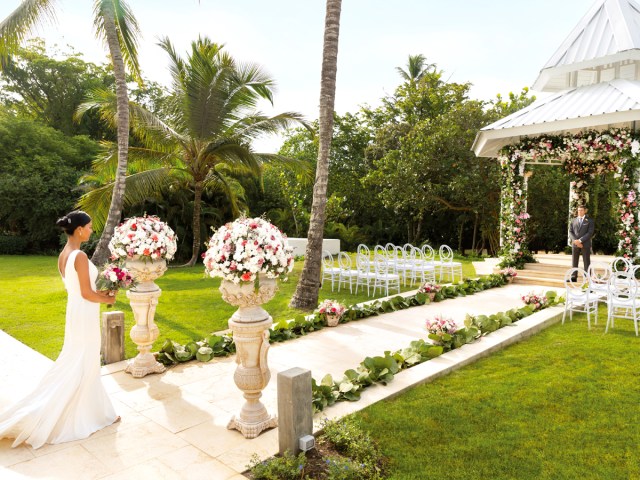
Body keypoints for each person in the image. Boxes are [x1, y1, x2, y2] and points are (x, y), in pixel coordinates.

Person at [0, 210, 119, 449]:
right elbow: (86, 293)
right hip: (84, 314)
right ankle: (93, 415)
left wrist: (103, 294)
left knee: (77, 359)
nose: (91, 230)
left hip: (75, 311)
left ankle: (98, 410)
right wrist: (107, 299)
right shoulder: (80, 257)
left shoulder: (63, 255)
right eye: (89, 226)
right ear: (78, 230)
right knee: (85, 361)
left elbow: (79, 290)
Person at [569, 205, 595, 279]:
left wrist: (580, 241)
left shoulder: (590, 221)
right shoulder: (573, 220)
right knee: (574, 261)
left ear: (585, 211)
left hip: (585, 244)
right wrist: (576, 241)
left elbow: (590, 233)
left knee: (586, 261)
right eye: (578, 210)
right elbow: (570, 232)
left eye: (581, 210)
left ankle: (587, 278)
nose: (580, 212)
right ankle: (573, 277)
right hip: (575, 244)